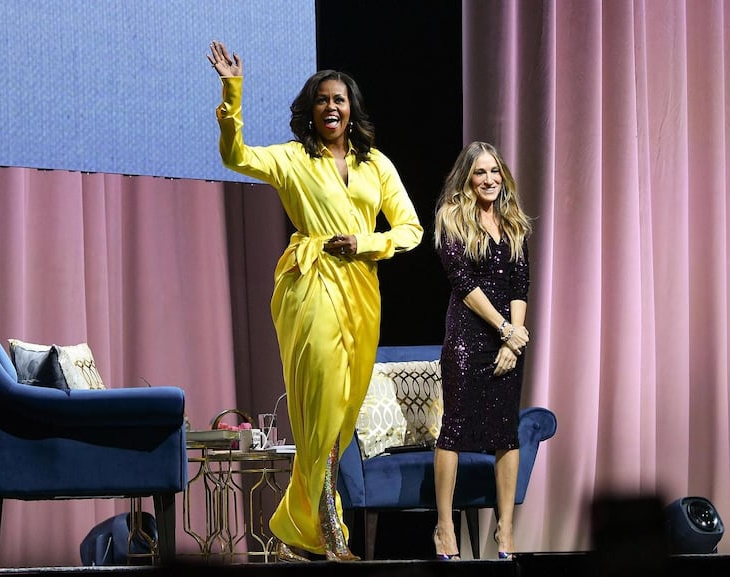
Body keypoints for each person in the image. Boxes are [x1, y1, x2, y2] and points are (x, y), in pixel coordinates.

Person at [207, 41, 423, 561]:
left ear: (352, 110)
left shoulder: (377, 166)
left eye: (340, 100)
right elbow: (235, 155)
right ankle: (331, 532)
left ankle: (288, 533)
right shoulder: (292, 159)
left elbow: (411, 229)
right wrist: (231, 91)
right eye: (322, 100)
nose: (332, 107)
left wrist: (369, 243)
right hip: (311, 282)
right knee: (322, 406)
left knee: (342, 414)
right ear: (311, 110)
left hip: (362, 290)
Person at [432, 141, 532, 560]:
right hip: (467, 339)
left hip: (508, 339)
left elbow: (519, 285)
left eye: (494, 172)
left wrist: (516, 336)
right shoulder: (451, 219)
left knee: (506, 436)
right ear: (466, 179)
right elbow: (464, 285)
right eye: (480, 173)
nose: (489, 180)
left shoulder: (513, 223)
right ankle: (444, 529)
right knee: (453, 431)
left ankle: (505, 532)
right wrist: (506, 329)